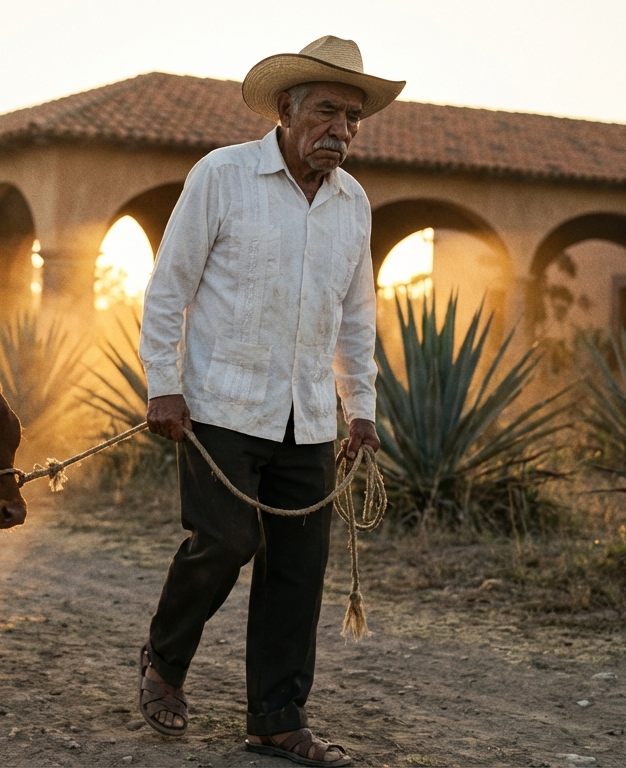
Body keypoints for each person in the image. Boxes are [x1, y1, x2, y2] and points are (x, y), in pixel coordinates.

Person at [136, 35, 403, 768]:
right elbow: (170, 287)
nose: (341, 130)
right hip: (220, 404)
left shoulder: (354, 205)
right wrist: (163, 384)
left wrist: (361, 411)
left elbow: (355, 316)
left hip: (311, 418)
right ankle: (164, 660)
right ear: (286, 109)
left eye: (352, 117)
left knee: (297, 568)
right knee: (225, 542)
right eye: (327, 112)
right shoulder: (221, 177)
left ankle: (276, 719)